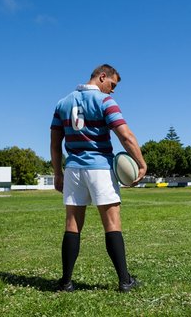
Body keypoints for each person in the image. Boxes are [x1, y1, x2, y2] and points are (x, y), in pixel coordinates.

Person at [50, 64, 147, 293]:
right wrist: (141, 164)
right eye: (112, 85)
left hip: (73, 168)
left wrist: (57, 172)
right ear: (102, 77)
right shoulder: (105, 102)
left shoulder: (62, 103)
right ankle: (125, 281)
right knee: (112, 223)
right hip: (101, 168)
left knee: (72, 225)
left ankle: (65, 282)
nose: (112, 91)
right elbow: (125, 136)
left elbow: (55, 144)